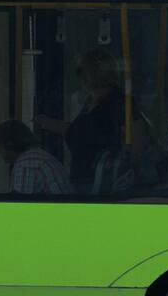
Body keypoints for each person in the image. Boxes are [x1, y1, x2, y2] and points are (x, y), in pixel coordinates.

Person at [35, 48, 143, 190]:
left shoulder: (118, 102)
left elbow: (137, 136)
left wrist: (130, 172)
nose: (79, 78)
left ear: (92, 74)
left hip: (104, 184)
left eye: (81, 72)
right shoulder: (91, 102)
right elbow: (78, 132)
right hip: (85, 178)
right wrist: (46, 123)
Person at [0, 120, 73, 195]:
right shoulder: (38, 156)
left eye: (0, 146)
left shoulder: (26, 164)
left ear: (10, 144)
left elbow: (18, 207)